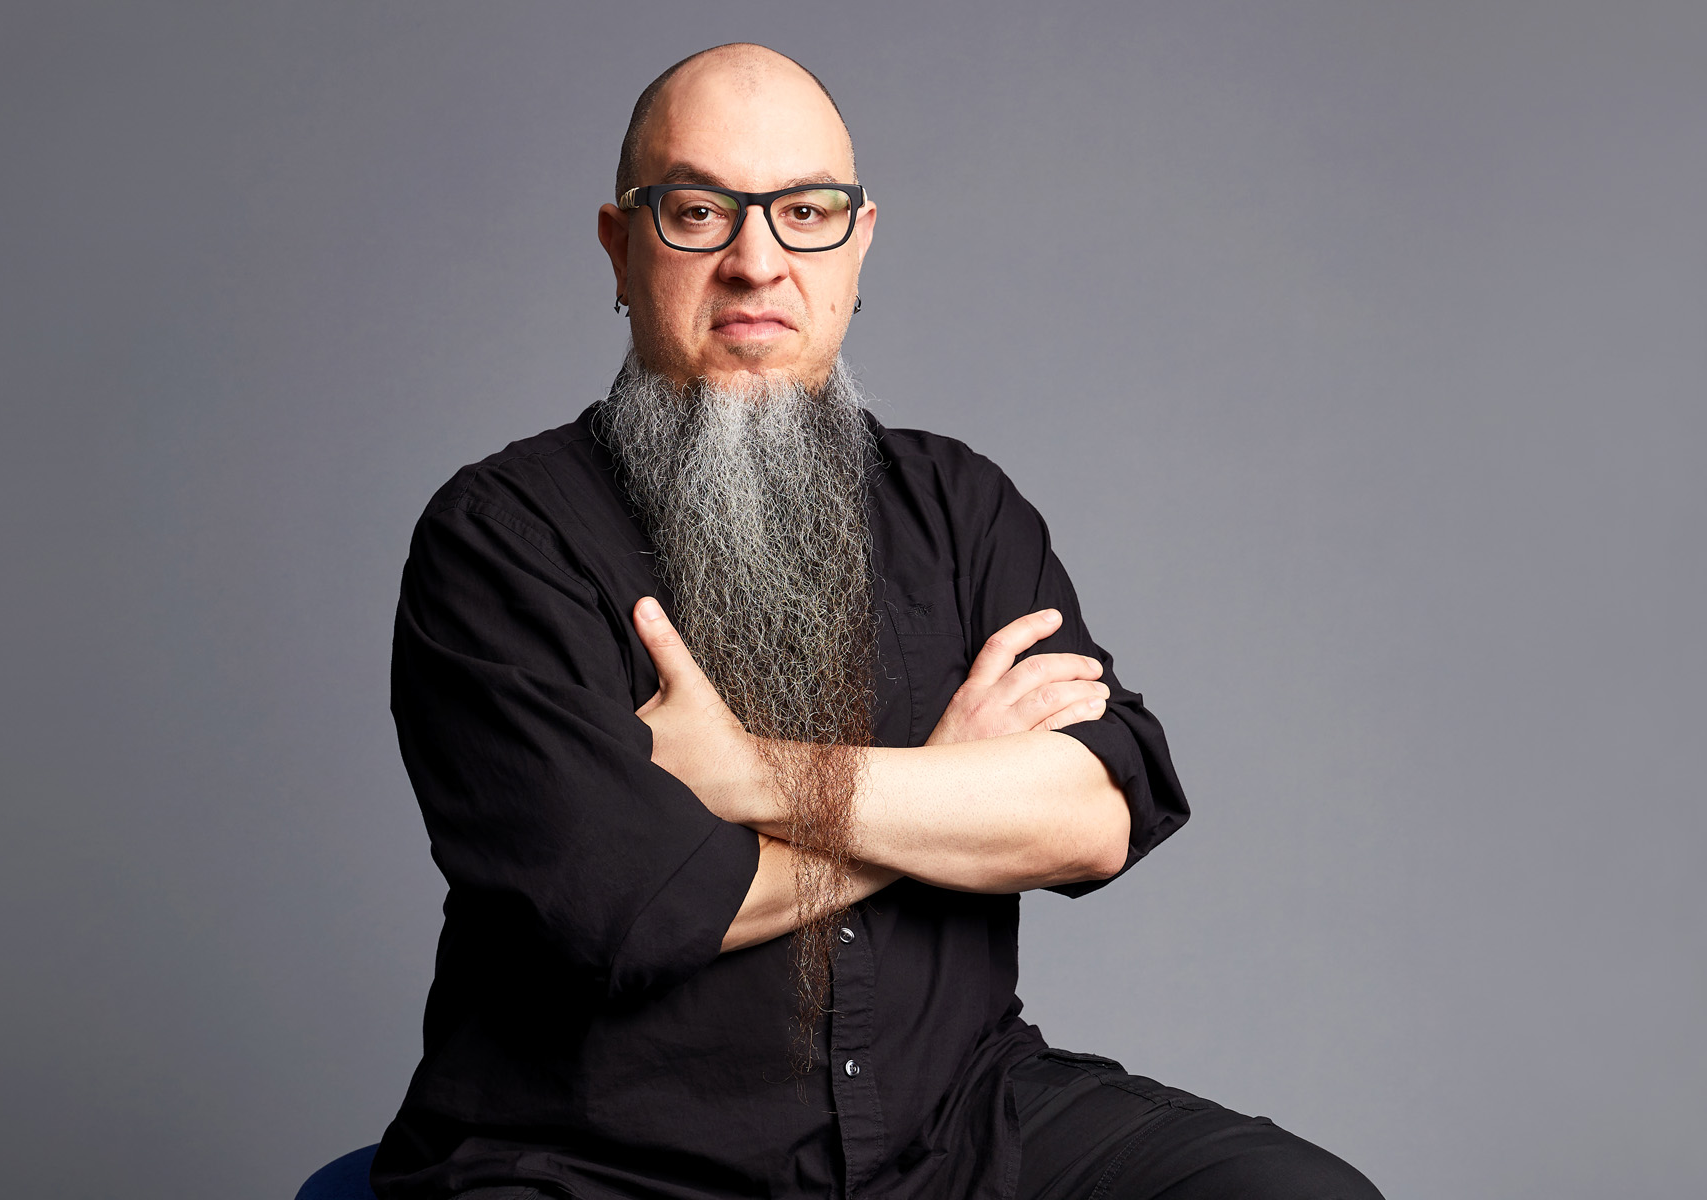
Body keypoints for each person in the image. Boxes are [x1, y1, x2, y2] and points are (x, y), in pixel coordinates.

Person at [371, 43, 1381, 1200]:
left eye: (806, 213)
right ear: (621, 244)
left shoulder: (960, 505)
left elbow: (1097, 813)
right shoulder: (501, 537)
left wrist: (755, 779)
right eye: (700, 211)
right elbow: (632, 907)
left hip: (958, 1127)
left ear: (857, 245)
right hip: (605, 1164)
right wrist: (944, 788)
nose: (758, 263)